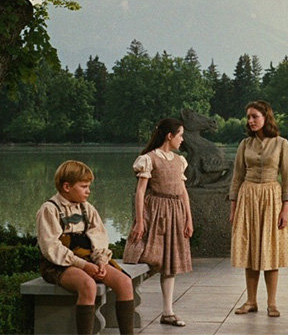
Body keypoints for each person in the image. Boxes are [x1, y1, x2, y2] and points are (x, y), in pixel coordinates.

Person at [36, 160, 134, 335]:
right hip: (59, 264)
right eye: (84, 187)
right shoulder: (49, 209)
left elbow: (99, 237)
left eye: (89, 186)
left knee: (125, 282)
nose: (88, 191)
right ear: (67, 187)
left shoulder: (87, 208)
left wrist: (100, 261)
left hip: (88, 259)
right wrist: (83, 265)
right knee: (88, 285)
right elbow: (51, 248)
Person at [229, 100, 288, 318]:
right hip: (248, 197)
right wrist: (233, 206)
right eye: (248, 117)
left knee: (270, 250)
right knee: (249, 250)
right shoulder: (245, 144)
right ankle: (250, 301)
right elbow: (237, 176)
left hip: (271, 197)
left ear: (266, 118)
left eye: (255, 116)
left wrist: (285, 209)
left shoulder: (281, 144)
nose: (250, 121)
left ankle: (272, 303)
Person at [125, 118, 193, 327]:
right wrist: (140, 221)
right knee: (146, 254)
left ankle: (168, 312)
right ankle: (124, 294)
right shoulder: (149, 159)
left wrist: (189, 219)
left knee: (170, 263)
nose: (182, 139)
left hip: (176, 212)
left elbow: (183, 192)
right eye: (180, 135)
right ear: (169, 136)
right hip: (155, 212)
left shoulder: (179, 160)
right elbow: (140, 192)